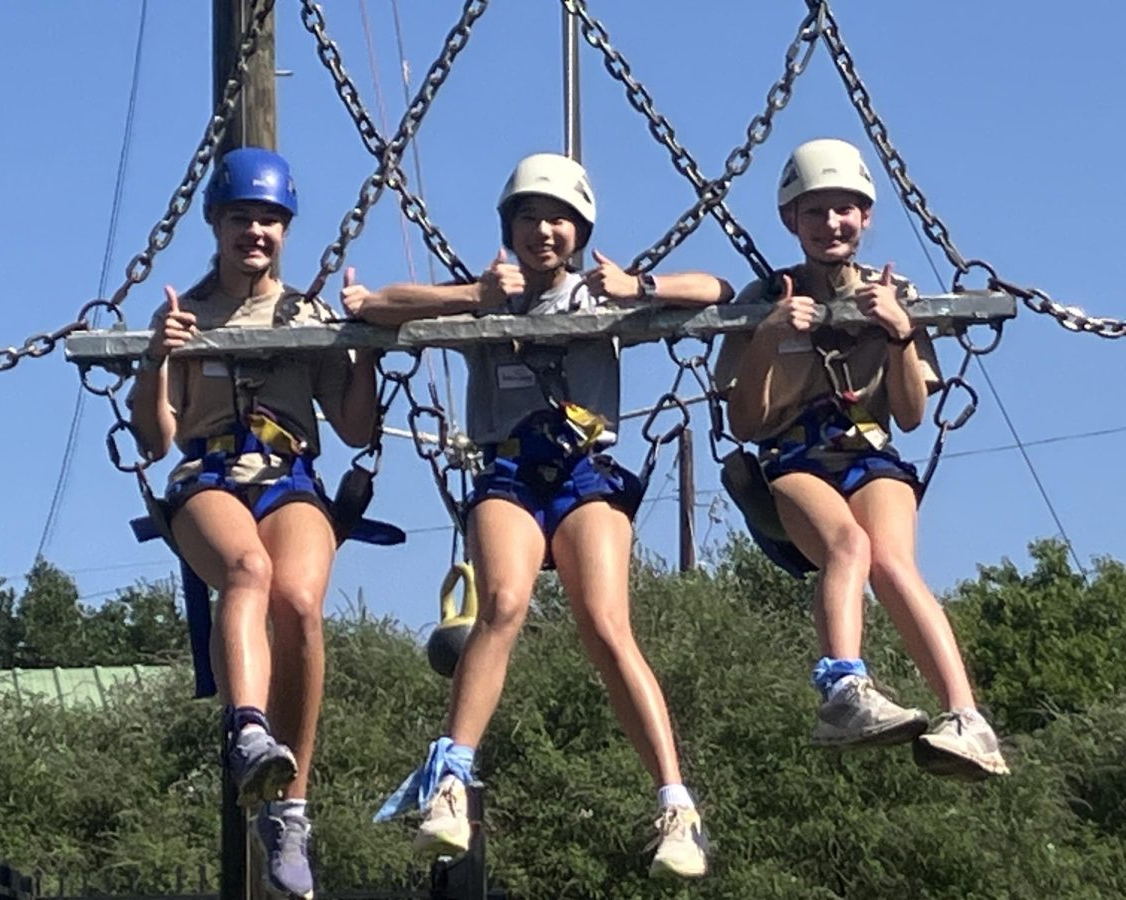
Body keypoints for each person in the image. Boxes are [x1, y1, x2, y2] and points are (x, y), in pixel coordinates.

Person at [343, 152, 732, 878]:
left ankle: (676, 805)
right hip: (510, 472)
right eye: (529, 218)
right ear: (509, 227)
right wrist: (473, 296)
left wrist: (636, 286)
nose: (543, 232)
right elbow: (377, 305)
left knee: (606, 622)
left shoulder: (600, 297)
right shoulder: (486, 298)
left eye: (558, 220)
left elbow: (719, 287)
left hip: (585, 473)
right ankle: (450, 782)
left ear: (579, 230)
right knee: (503, 605)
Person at [713, 138, 1009, 780]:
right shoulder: (765, 295)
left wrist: (899, 332)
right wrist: (767, 335)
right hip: (794, 456)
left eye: (844, 209)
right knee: (849, 546)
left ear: (865, 217)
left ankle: (966, 717)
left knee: (895, 562)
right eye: (815, 212)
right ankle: (844, 689)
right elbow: (746, 422)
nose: (831, 225)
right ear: (792, 220)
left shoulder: (893, 293)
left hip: (869, 451)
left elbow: (908, 414)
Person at [130, 147, 382, 900]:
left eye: (269, 220)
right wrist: (154, 360)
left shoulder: (305, 315)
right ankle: (247, 727)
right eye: (243, 218)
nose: (256, 233)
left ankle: (290, 810)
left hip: (289, 476)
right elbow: (154, 439)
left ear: (286, 230)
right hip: (207, 477)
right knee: (249, 571)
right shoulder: (184, 316)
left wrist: (362, 344)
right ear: (217, 223)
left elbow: (355, 425)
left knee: (300, 603)